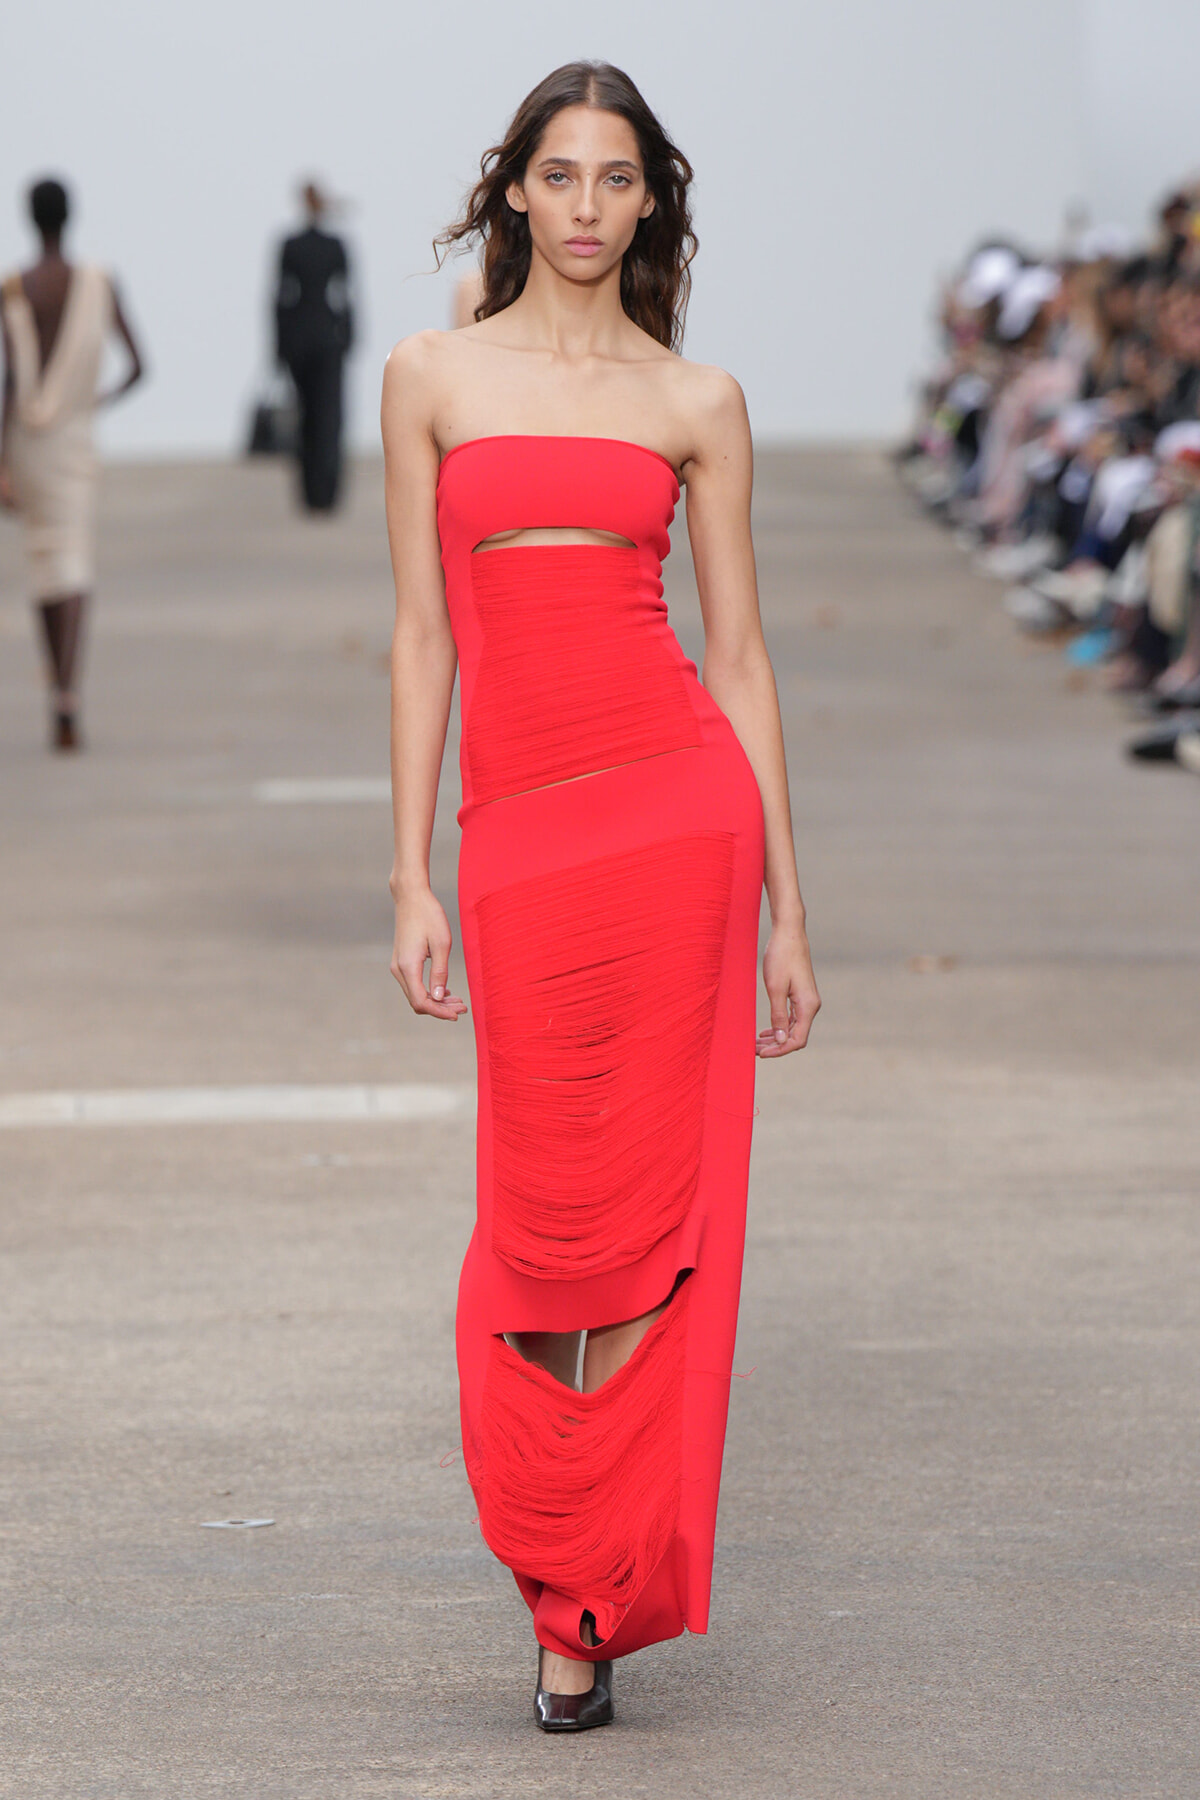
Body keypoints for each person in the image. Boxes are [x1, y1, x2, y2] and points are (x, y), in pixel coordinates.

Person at [381, 61, 820, 1732]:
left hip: (678, 830)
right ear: (513, 193)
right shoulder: (431, 375)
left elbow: (746, 659)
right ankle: (567, 1544)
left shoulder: (695, 400)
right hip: (519, 850)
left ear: (650, 202)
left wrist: (789, 905)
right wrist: (407, 869)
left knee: (647, 1235)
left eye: (612, 179)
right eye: (555, 175)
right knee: (545, 1232)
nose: (581, 205)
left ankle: (583, 1614)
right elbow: (423, 633)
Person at [0, 176, 144, 750]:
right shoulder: (99, 284)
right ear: (71, 216)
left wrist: (2, 461)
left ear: (30, 219)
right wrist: (94, 400)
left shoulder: (16, 289)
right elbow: (138, 364)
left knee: (44, 564)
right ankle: (68, 692)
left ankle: (55, 688)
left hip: (29, 448)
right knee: (74, 562)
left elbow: (10, 385)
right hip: (75, 440)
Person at [274, 181, 354, 512]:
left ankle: (311, 493)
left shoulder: (291, 245)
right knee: (329, 416)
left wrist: (278, 345)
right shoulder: (334, 244)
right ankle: (326, 492)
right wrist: (348, 336)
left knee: (307, 416)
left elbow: (280, 298)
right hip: (327, 337)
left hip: (299, 338)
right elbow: (346, 297)